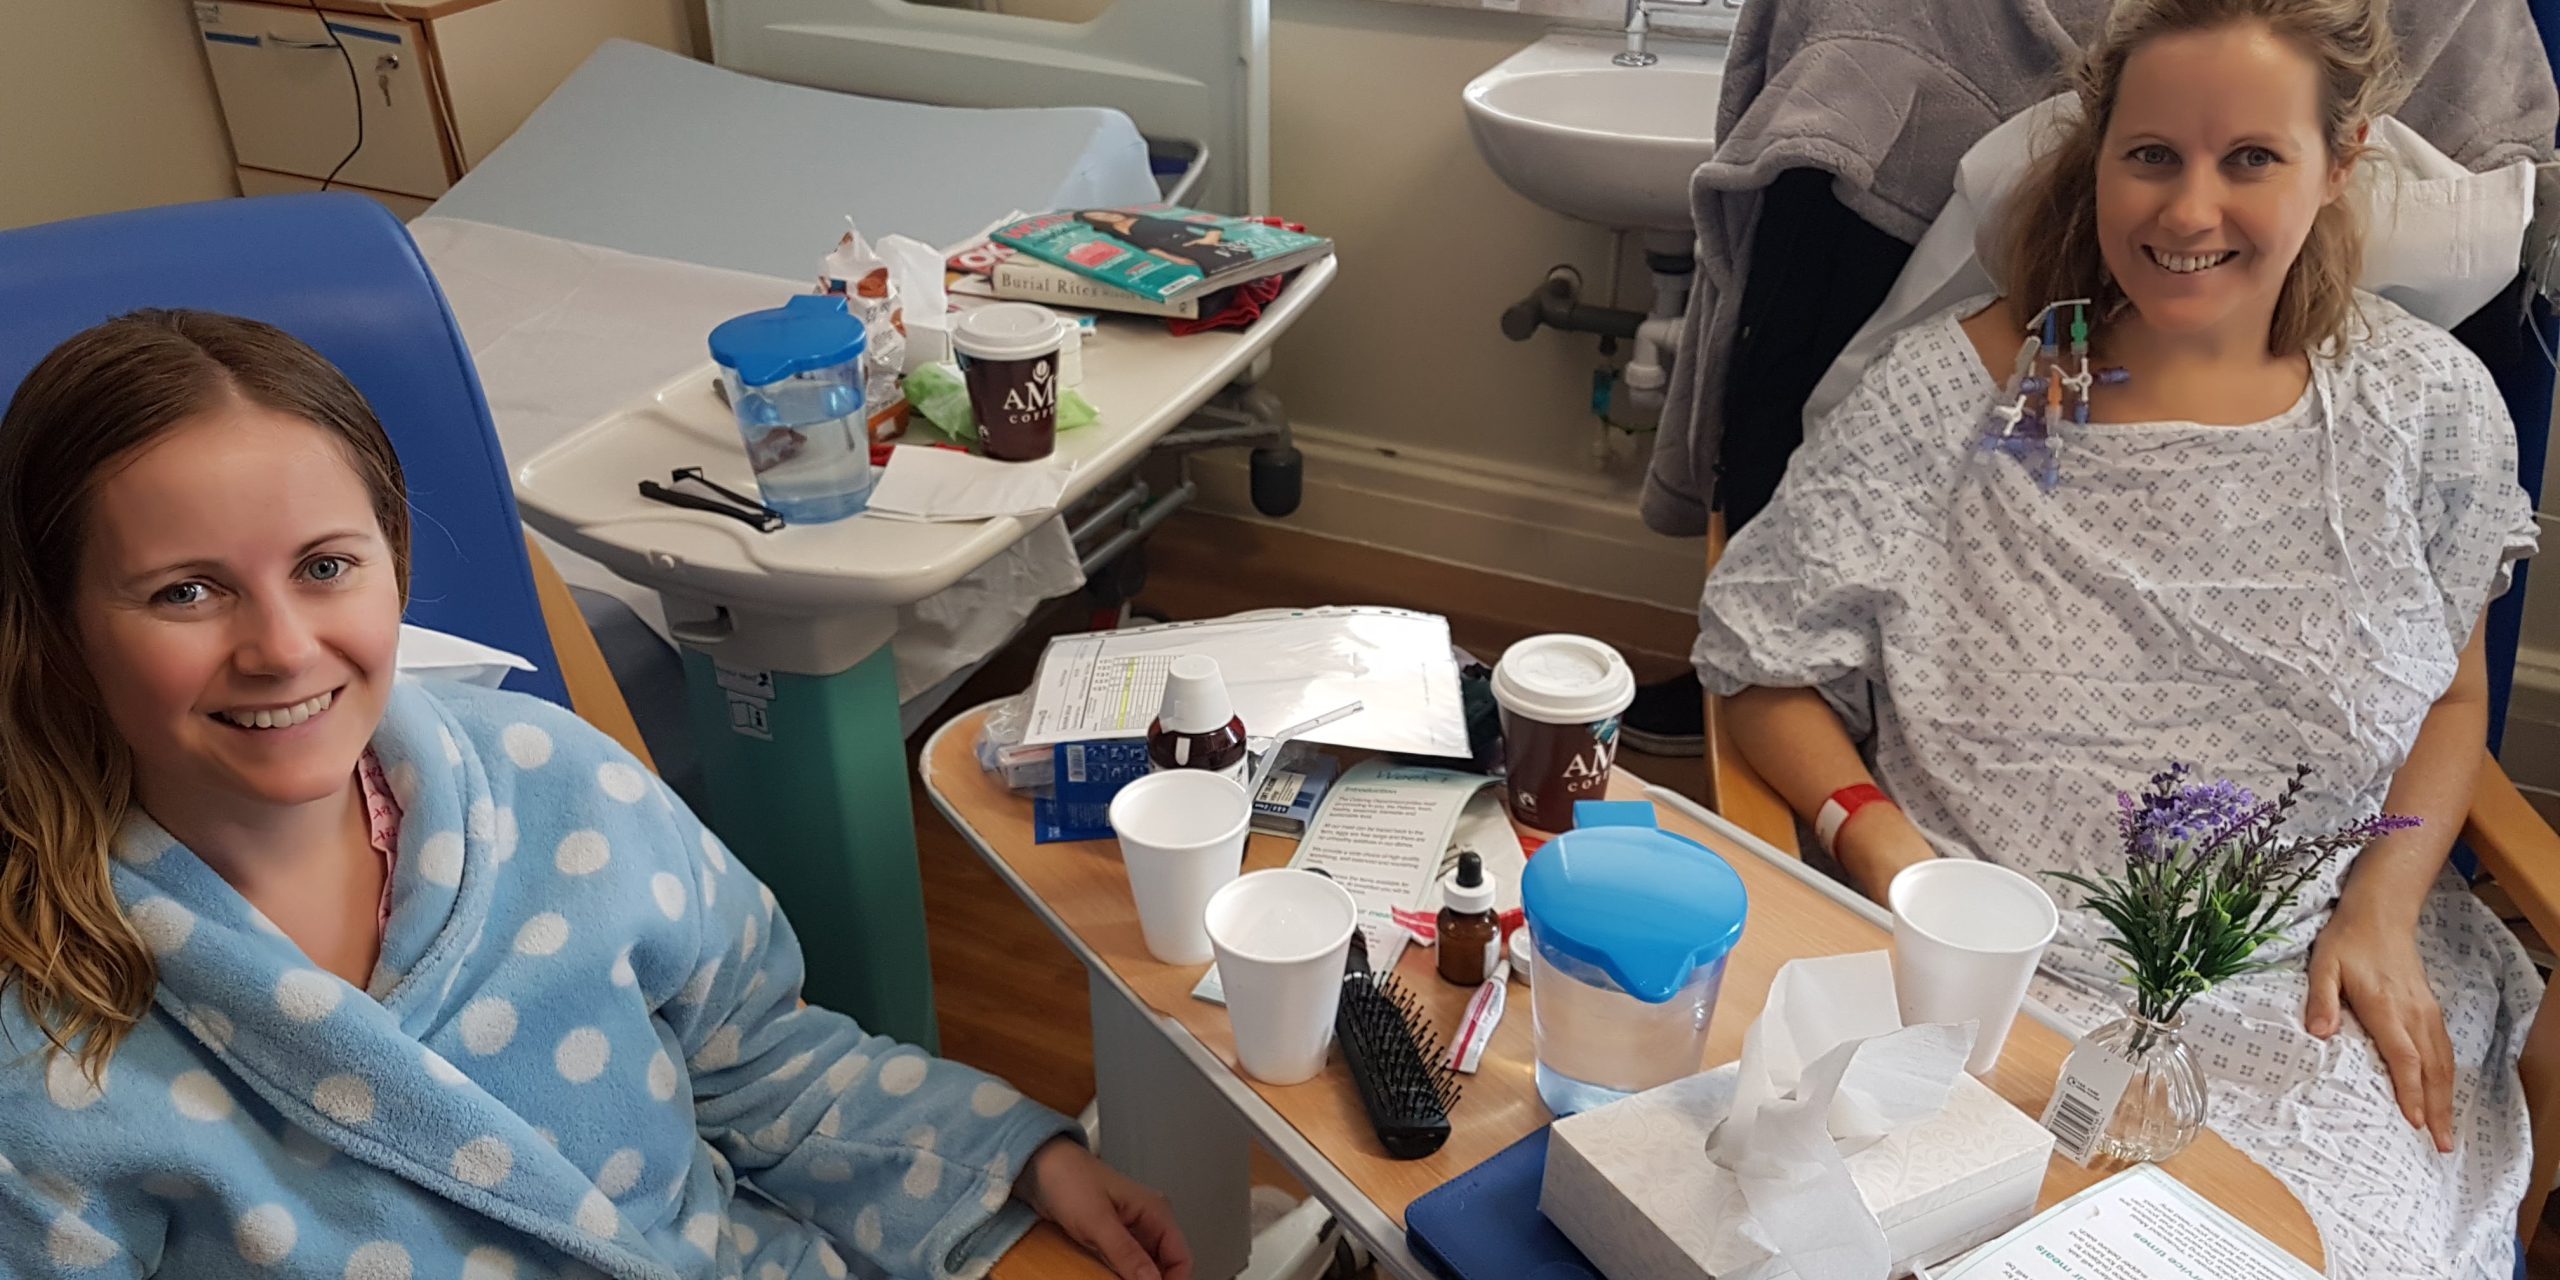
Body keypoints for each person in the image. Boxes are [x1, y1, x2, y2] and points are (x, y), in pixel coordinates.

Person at [0, 310, 1194, 1280]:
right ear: (55, 628)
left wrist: (1011, 1159)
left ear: (394, 560)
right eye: (184, 592)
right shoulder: (46, 1043)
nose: (281, 645)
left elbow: (760, 1061)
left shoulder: (554, 784)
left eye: (325, 567)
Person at [1693, 1, 2540, 1275]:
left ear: (2339, 162)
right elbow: (1761, 659)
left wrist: (2382, 902)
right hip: (1987, 986)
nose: (2188, 212)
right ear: (2096, 161)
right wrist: (1892, 861)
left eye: (2249, 158)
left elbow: (2453, 702)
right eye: (2152, 155)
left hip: (2308, 1001)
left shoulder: (2421, 409)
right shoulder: (1994, 397)